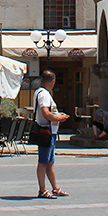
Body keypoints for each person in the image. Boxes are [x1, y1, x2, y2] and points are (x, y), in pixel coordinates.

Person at [33, 70, 69, 199]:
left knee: (50, 162)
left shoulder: (40, 92)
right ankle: (42, 190)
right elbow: (45, 113)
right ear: (52, 81)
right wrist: (59, 118)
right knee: (43, 162)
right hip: (46, 132)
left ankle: (55, 188)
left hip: (50, 132)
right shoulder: (44, 94)